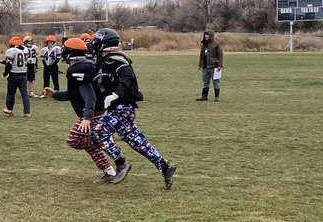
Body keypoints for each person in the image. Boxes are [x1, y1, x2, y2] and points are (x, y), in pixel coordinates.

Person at [90, 28, 177, 190]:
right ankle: (165, 166)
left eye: (97, 40)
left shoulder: (113, 60)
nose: (93, 43)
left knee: (99, 130)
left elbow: (127, 76)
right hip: (117, 108)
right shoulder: (103, 61)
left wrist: (116, 94)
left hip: (122, 107)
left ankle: (121, 163)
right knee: (137, 142)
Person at [47, 37, 118, 183]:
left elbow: (89, 96)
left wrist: (87, 117)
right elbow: (73, 94)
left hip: (94, 113)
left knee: (74, 140)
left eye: (65, 49)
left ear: (70, 52)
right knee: (88, 144)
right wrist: (55, 94)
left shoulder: (77, 69)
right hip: (97, 111)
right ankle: (109, 171)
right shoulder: (85, 65)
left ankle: (106, 146)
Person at [1, 35, 31, 117]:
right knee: (25, 94)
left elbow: (9, 65)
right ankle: (27, 112)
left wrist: (5, 73)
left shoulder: (11, 51)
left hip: (14, 75)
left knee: (11, 93)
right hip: (23, 74)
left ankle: (9, 110)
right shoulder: (25, 50)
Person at [198, 30, 224, 101]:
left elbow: (220, 55)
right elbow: (201, 56)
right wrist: (200, 65)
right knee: (205, 82)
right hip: (205, 67)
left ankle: (217, 97)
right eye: (205, 35)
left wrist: (220, 65)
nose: (206, 36)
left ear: (211, 36)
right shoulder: (203, 45)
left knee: (216, 81)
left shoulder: (216, 44)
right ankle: (204, 97)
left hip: (214, 66)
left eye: (207, 35)